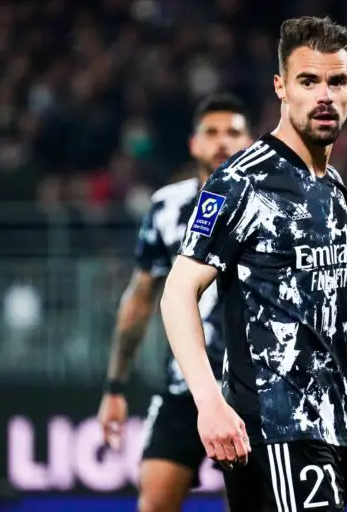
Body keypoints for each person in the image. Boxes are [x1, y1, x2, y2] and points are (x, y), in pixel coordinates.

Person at [160, 16, 347, 512]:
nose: (324, 96)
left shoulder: (335, 189)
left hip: (330, 431)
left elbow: (341, 296)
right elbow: (178, 290)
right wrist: (208, 402)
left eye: (337, 82)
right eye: (308, 81)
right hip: (274, 430)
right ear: (281, 88)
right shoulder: (242, 182)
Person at [97, 93, 253, 512]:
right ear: (194, 144)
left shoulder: (271, 206)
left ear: (250, 142)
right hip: (186, 385)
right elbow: (139, 300)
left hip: (255, 388)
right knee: (154, 503)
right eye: (211, 133)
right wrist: (114, 387)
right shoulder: (167, 207)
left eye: (233, 132)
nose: (222, 142)